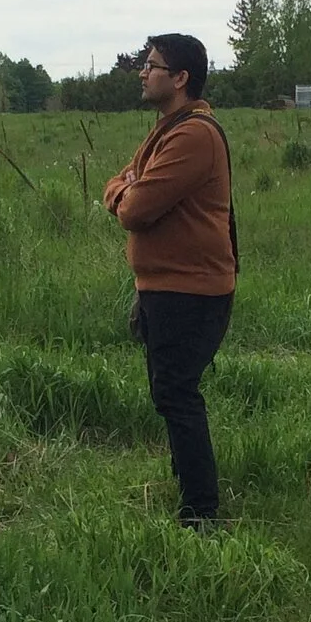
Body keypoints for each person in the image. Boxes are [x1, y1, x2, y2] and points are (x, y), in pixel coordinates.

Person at [103, 34, 236, 527]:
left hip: (190, 289)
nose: (143, 71)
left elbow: (135, 209)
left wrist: (126, 193)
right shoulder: (167, 128)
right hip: (165, 286)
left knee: (177, 394)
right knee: (170, 392)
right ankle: (189, 491)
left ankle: (200, 512)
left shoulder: (193, 135)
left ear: (180, 79)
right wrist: (125, 187)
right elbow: (120, 180)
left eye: (152, 65)